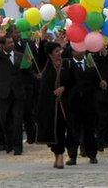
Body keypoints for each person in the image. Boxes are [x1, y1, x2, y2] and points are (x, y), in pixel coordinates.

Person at [0, 34, 26, 155]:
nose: (12, 44)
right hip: (4, 93)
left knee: (17, 120)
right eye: (9, 43)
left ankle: (18, 147)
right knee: (5, 120)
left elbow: (27, 72)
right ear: (3, 45)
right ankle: (9, 144)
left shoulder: (21, 56)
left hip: (18, 93)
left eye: (12, 43)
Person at [64, 48, 102, 165]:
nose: (81, 52)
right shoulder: (68, 64)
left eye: (82, 50)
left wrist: (101, 83)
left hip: (89, 102)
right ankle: (72, 156)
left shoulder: (90, 63)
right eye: (77, 50)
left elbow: (96, 79)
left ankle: (92, 154)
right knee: (72, 131)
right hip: (73, 103)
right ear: (72, 52)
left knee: (89, 130)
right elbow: (65, 81)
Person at [34, 41, 69, 169]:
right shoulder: (45, 65)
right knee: (51, 132)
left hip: (63, 105)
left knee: (60, 129)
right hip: (48, 104)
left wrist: (64, 88)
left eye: (60, 50)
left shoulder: (66, 64)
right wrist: (43, 38)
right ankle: (56, 154)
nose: (59, 53)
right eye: (56, 51)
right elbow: (39, 54)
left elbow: (72, 80)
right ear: (50, 54)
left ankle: (60, 155)